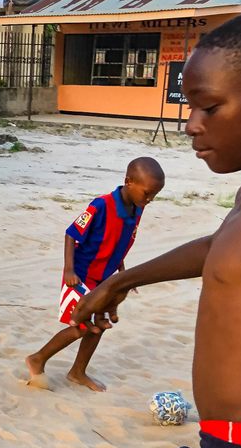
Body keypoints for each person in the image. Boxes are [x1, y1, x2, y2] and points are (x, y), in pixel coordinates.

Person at [73, 10, 241, 448]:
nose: (191, 124)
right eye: (190, 105)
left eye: (210, 107)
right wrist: (122, 281)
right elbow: (218, 247)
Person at [25, 158, 165, 392]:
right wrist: (69, 270)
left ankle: (78, 372)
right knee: (81, 326)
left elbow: (119, 244)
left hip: (104, 278)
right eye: (147, 193)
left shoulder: (138, 208)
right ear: (128, 182)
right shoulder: (101, 205)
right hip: (80, 275)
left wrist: (123, 274)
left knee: (100, 324)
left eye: (155, 195)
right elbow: (71, 234)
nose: (149, 199)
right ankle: (37, 358)